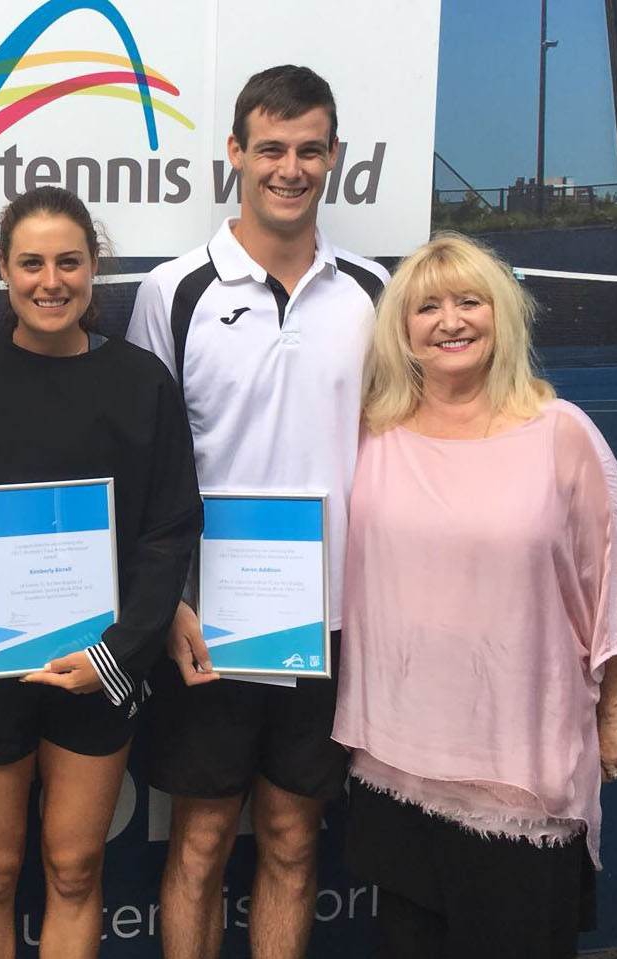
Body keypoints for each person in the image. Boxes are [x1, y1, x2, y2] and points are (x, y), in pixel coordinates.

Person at [125, 65, 389, 958]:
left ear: (335, 156)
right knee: (200, 842)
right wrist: (171, 602)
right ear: (235, 153)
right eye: (270, 148)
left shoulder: (373, 290)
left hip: (330, 623)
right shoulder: (174, 291)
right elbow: (150, 465)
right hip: (210, 624)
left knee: (291, 837)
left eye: (309, 149)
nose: (290, 168)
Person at [332, 232, 617, 957]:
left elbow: (609, 587)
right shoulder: (371, 434)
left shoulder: (562, 434)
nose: (450, 321)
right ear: (402, 329)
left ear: (501, 314)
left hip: (518, 772)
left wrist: (613, 715)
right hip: (395, 762)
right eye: (427, 307)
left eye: (469, 302)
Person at [0, 186, 202, 957]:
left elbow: (169, 529)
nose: (51, 281)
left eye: (69, 262)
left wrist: (120, 651)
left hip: (100, 657)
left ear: (94, 266)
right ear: (3, 269)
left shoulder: (142, 382)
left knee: (76, 868)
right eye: (32, 263)